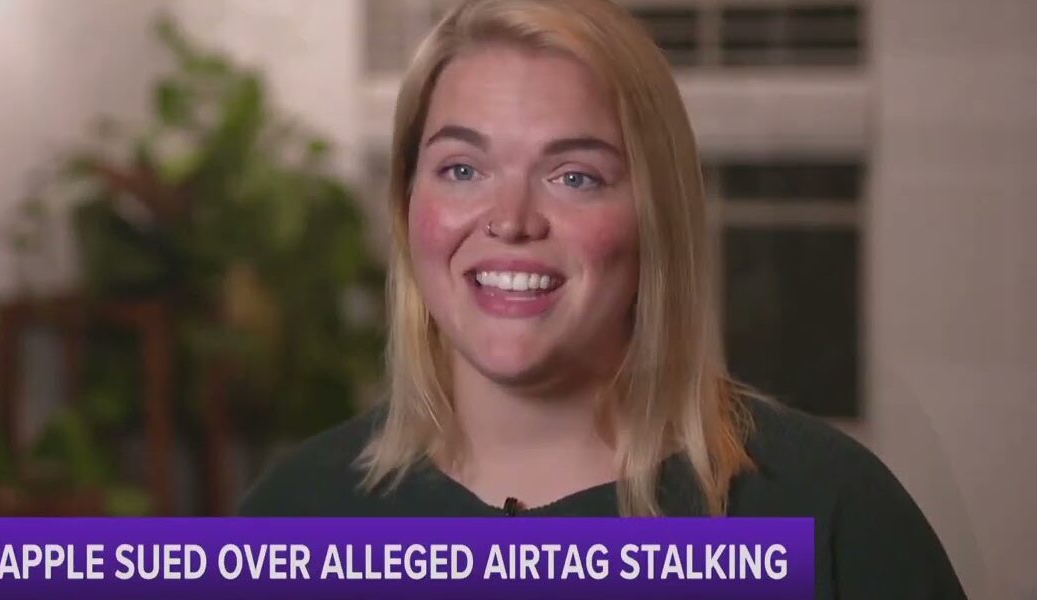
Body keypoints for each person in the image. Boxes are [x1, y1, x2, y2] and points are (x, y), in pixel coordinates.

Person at [239, 0, 966, 597]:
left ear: (656, 216)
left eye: (575, 176)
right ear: (407, 204)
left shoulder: (832, 515)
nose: (510, 220)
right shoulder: (293, 519)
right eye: (462, 169)